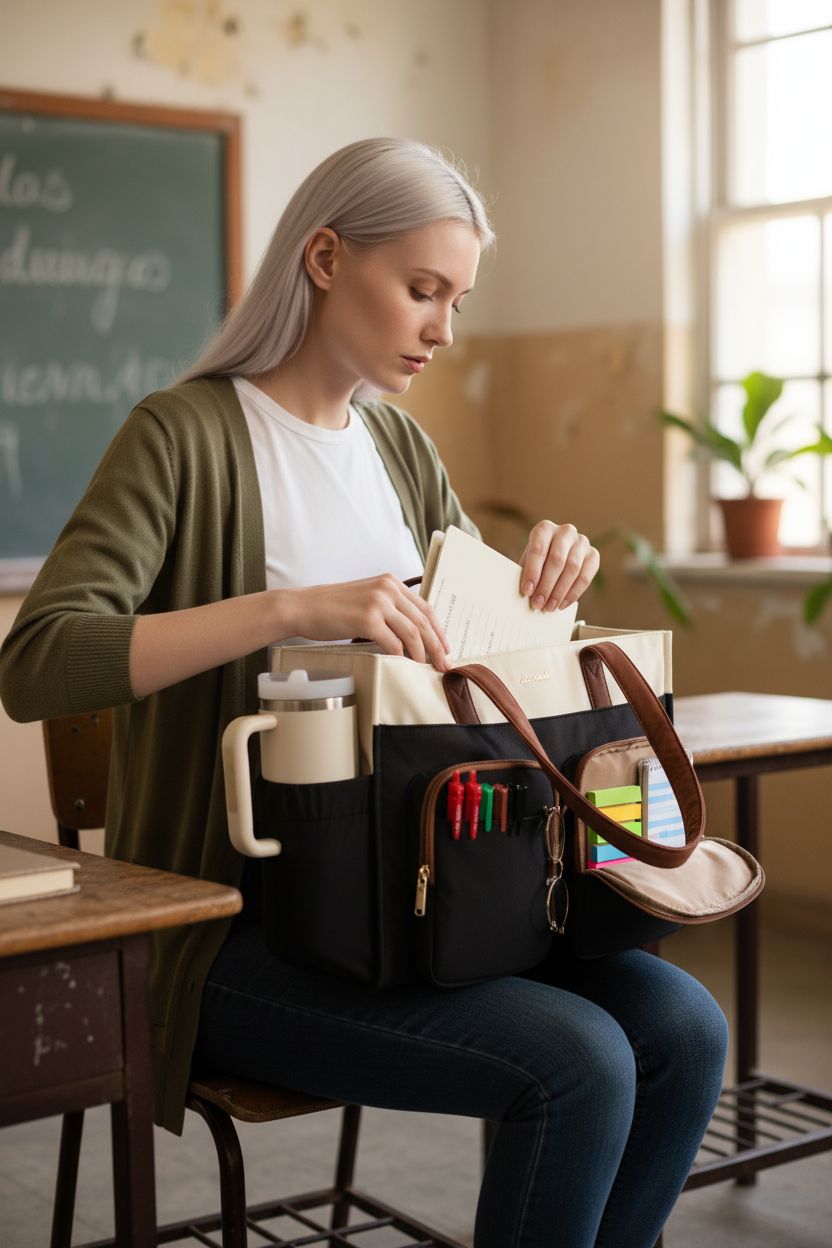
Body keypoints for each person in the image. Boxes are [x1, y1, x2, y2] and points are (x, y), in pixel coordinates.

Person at [0, 137, 726, 1248]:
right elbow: (38, 663)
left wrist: (547, 583)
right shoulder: (182, 434)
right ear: (326, 257)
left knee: (683, 1027)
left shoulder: (398, 446)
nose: (442, 328)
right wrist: (291, 610)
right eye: (421, 290)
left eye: (457, 298)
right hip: (240, 931)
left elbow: (473, 678)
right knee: (577, 1063)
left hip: (422, 897)